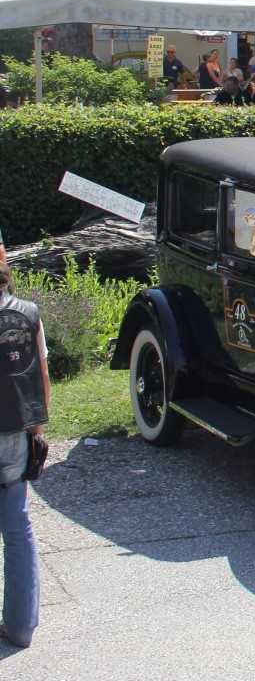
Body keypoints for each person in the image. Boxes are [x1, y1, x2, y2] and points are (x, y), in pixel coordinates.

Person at [0, 259, 49, 649]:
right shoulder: (27, 314)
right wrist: (37, 431)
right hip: (15, 428)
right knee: (17, 529)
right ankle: (20, 628)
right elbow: (39, 373)